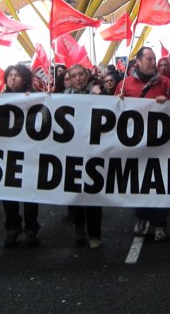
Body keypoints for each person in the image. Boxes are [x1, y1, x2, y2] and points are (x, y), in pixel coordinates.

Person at [117, 47, 170, 241]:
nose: (153, 63)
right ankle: (142, 218)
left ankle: (160, 224)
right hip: (136, 145)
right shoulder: (125, 84)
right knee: (139, 182)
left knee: (160, 182)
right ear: (138, 62)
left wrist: (167, 103)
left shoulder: (166, 83)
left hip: (161, 144)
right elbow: (113, 110)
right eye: (149, 59)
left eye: (154, 59)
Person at [0, 64, 41, 248]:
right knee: (8, 193)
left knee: (30, 193)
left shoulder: (34, 98)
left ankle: (31, 228)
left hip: (29, 152)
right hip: (7, 153)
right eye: (10, 75)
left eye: (17, 76)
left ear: (24, 79)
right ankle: (13, 226)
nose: (13, 79)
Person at [64, 64, 103, 249]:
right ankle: (79, 224)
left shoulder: (99, 93)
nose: (78, 78)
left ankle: (95, 234)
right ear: (70, 80)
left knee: (93, 194)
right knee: (74, 193)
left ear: (86, 76)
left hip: (94, 152)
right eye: (74, 76)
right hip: (72, 152)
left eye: (81, 74)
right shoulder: (61, 98)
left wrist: (98, 97)